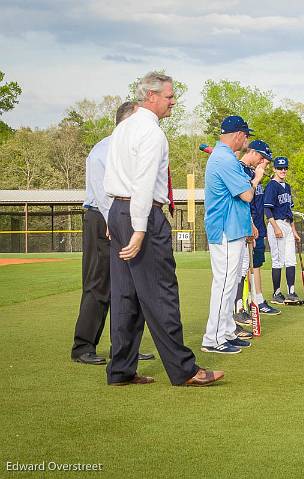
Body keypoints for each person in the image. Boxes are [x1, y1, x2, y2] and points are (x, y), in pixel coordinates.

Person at [103, 71, 222, 386]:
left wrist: (112, 220)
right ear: (150, 96)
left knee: (126, 295)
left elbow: (111, 178)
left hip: (118, 210)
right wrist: (140, 229)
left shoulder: (122, 128)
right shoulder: (152, 134)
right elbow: (142, 184)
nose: (173, 102)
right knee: (162, 292)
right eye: (169, 97)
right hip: (142, 214)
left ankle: (120, 370)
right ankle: (184, 370)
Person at [71, 101, 154, 365]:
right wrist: (112, 222)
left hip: (125, 218)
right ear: (126, 122)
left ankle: (125, 348)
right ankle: (83, 346)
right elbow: (102, 191)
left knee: (128, 286)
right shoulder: (102, 150)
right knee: (99, 285)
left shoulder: (130, 150)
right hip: (102, 219)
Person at [201, 116, 268, 354]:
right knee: (225, 284)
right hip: (225, 229)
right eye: (246, 135)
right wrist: (257, 177)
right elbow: (247, 195)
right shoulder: (223, 158)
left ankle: (227, 332)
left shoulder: (225, 157)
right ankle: (213, 338)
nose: (247, 140)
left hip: (233, 228)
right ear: (238, 134)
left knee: (230, 284)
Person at [235, 140, 281, 318]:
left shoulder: (256, 175)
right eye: (264, 159)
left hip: (257, 226)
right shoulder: (244, 171)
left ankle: (257, 300)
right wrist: (250, 225)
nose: (266, 164)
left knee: (256, 264)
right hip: (246, 228)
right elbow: (245, 201)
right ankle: (242, 305)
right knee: (243, 267)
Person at [264, 156, 303, 305]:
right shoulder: (272, 186)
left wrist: (293, 230)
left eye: (285, 167)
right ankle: (276, 292)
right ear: (274, 169)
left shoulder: (287, 186)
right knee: (278, 260)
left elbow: (289, 211)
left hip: (287, 225)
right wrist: (276, 227)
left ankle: (291, 291)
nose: (283, 170)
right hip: (276, 224)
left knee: (290, 260)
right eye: (280, 168)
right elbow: (267, 209)